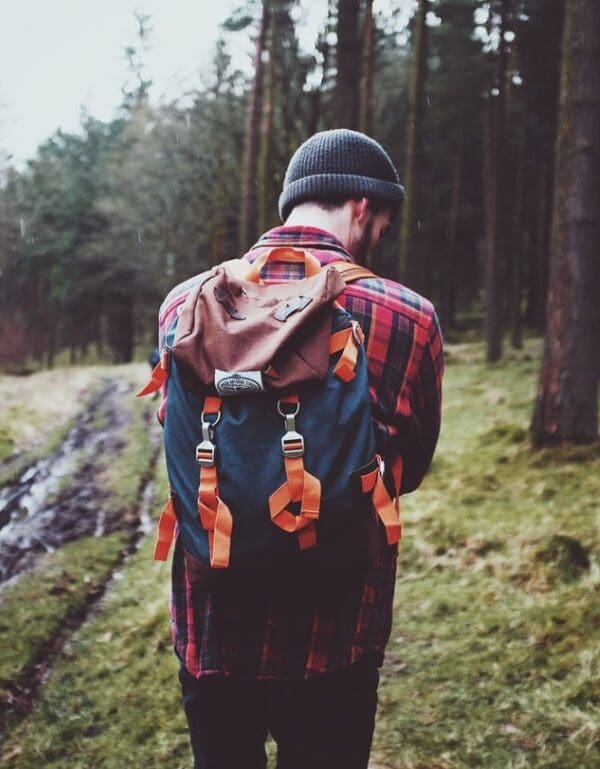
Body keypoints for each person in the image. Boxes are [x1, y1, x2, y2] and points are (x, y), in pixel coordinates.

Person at [155, 128, 444, 769]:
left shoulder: (185, 305)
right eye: (384, 223)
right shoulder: (408, 315)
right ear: (363, 207)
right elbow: (410, 470)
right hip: (336, 630)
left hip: (213, 623)